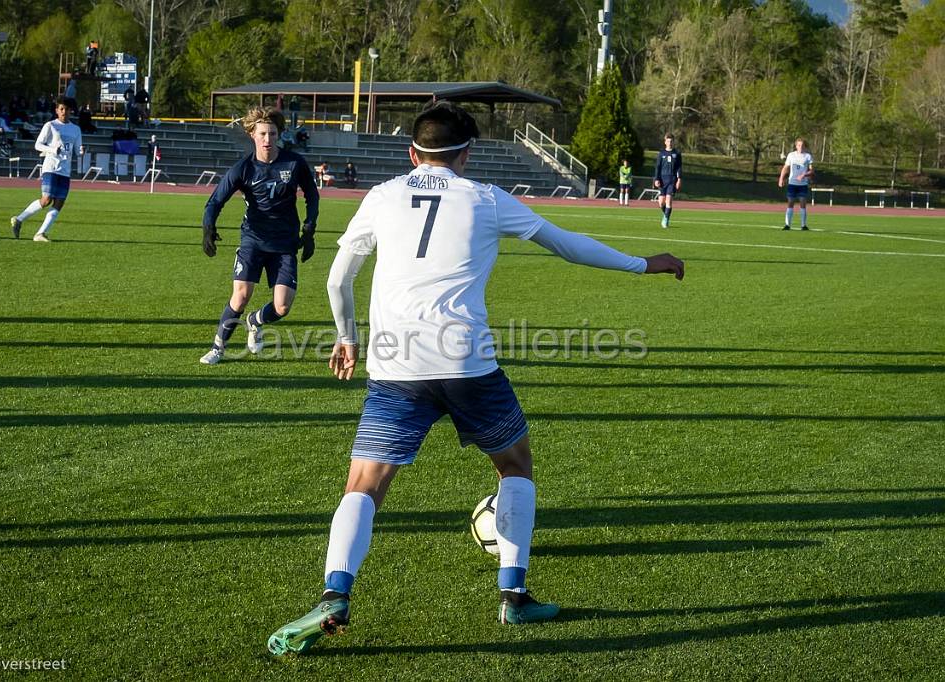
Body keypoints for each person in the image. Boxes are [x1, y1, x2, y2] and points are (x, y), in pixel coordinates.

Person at [265, 101, 685, 656]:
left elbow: (339, 278)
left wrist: (347, 337)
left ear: (412, 152)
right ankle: (513, 595)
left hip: (395, 364)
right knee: (515, 465)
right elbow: (565, 245)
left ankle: (335, 593)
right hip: (468, 365)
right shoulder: (486, 198)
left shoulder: (383, 194)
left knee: (363, 485)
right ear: (466, 154)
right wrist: (641, 263)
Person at [199, 106, 320, 365]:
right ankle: (218, 347)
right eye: (263, 134)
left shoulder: (294, 163)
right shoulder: (243, 168)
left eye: (273, 134)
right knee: (241, 296)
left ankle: (255, 322)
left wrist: (309, 228)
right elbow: (215, 201)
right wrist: (208, 228)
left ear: (279, 135)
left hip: (285, 242)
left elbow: (312, 195)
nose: (268, 140)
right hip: (253, 240)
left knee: (282, 307)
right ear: (252, 135)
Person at [9, 101, 83, 242]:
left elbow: (78, 150)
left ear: (70, 111)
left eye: (67, 109)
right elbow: (38, 145)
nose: (64, 111)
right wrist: (53, 149)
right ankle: (19, 219)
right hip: (51, 168)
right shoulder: (51, 125)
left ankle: (40, 234)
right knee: (46, 200)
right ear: (57, 110)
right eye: (61, 109)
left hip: (65, 171)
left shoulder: (76, 129)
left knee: (59, 203)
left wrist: (81, 152)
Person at [778, 138, 814, 231]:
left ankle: (803, 225)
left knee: (803, 203)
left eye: (802, 145)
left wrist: (804, 175)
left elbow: (812, 171)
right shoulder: (791, 155)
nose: (800, 147)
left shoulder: (808, 156)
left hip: (803, 184)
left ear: (805, 146)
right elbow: (785, 167)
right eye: (798, 145)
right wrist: (781, 178)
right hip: (792, 183)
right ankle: (787, 225)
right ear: (796, 146)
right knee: (790, 203)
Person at [652, 133, 682, 228]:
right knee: (661, 203)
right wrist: (656, 179)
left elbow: (679, 168)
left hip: (672, 179)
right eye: (668, 141)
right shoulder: (661, 154)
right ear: (665, 142)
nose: (670, 143)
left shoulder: (677, 154)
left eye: (671, 141)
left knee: (668, 201)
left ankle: (665, 219)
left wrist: (679, 179)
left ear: (673, 142)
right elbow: (658, 167)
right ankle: (666, 215)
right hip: (662, 180)